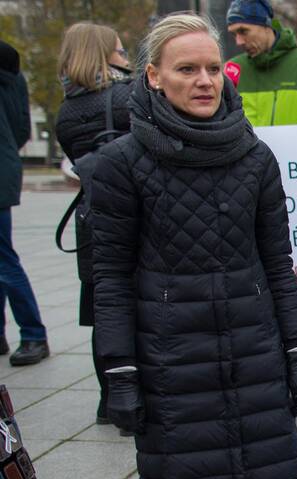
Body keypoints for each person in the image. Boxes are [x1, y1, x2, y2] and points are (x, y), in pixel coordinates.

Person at [90, 13, 297, 479]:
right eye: (186, 68)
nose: (203, 80)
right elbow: (111, 280)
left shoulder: (255, 157)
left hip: (249, 348)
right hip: (170, 356)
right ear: (151, 76)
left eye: (212, 67)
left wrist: (294, 353)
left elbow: (278, 265)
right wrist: (120, 374)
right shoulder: (120, 165)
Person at [55, 22, 134, 428]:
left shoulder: (66, 111)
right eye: (120, 51)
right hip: (131, 213)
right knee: (136, 301)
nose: (127, 58)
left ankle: (108, 399)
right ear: (106, 55)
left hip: (90, 217)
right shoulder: (128, 95)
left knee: (103, 306)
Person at [0, 40, 49, 366]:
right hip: (5, 162)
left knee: (3, 258)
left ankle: (33, 334)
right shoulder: (10, 66)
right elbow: (20, 126)